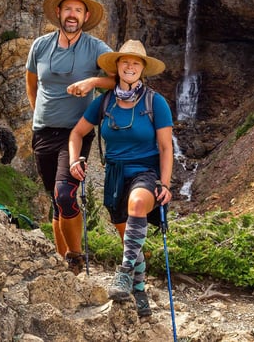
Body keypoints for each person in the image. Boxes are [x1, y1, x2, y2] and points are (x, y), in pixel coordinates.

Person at [68, 40, 173, 317]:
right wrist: (73, 159)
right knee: (130, 241)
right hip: (114, 175)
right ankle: (139, 292)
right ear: (117, 67)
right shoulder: (104, 102)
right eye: (125, 61)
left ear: (142, 69)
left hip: (146, 173)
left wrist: (166, 183)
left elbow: (165, 147)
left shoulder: (155, 102)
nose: (130, 66)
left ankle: (124, 272)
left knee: (137, 205)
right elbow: (77, 133)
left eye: (135, 62)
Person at [25, 0, 115, 274]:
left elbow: (121, 78)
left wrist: (92, 83)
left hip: (75, 135)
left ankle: (75, 258)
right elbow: (32, 84)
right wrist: (39, 113)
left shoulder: (96, 48)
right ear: (59, 13)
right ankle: (60, 259)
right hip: (43, 132)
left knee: (65, 194)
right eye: (68, 9)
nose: (72, 14)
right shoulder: (40, 45)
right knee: (55, 197)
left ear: (86, 15)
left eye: (78, 10)